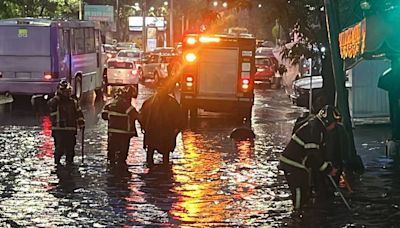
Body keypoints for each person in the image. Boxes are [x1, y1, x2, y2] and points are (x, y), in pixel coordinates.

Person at [279, 105, 339, 211]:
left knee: (305, 188)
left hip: (297, 163)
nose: (334, 127)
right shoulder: (315, 130)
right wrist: (328, 169)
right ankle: (297, 215)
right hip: (293, 164)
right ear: (327, 121)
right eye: (333, 123)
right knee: (300, 190)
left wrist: (326, 165)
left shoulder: (317, 127)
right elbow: (313, 156)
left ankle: (302, 212)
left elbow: (318, 153)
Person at [139, 85, 185, 166]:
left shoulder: (149, 102)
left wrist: (144, 128)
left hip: (157, 133)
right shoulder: (171, 102)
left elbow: (142, 117)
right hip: (161, 133)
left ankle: (153, 168)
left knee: (152, 153)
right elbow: (180, 119)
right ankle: (162, 170)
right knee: (163, 155)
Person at [48, 80, 85, 165]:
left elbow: (79, 113)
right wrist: (56, 98)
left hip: (70, 129)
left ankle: (69, 164)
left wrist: (81, 123)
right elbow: (50, 105)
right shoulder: (55, 101)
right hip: (59, 130)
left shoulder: (73, 102)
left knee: (70, 150)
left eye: (68, 91)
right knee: (59, 149)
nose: (67, 93)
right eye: (65, 91)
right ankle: (57, 163)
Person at [102, 86, 139, 166]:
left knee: (111, 154)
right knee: (122, 157)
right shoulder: (127, 105)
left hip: (112, 133)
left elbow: (104, 116)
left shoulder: (110, 103)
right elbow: (136, 116)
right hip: (124, 134)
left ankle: (111, 165)